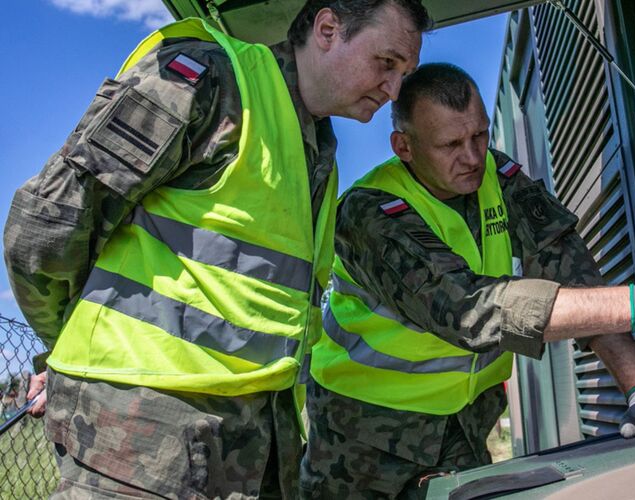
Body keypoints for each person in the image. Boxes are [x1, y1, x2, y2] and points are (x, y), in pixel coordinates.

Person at [2, 1, 430, 497]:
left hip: (252, 444)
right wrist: (65, 347)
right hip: (139, 444)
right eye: (387, 63)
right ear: (328, 29)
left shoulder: (318, 151)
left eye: (406, 73)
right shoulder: (209, 78)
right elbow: (43, 229)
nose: (394, 89)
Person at [300, 63, 635, 498]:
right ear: (404, 147)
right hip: (361, 435)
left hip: (464, 425)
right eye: (449, 146)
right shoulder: (368, 212)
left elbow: (571, 271)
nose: (472, 157)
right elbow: (469, 310)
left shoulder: (499, 177)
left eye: (480, 135)